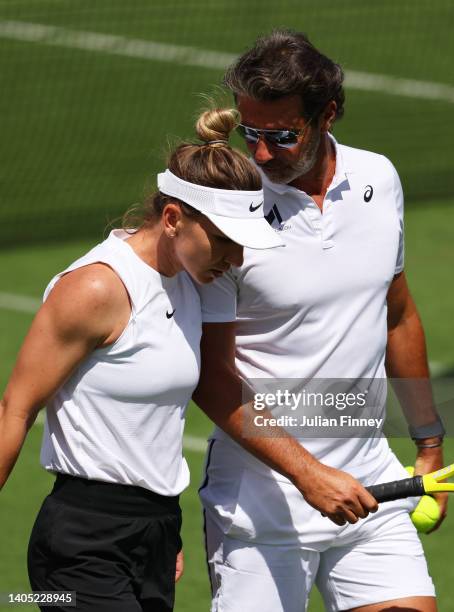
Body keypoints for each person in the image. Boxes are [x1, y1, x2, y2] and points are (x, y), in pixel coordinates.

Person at [193, 31, 447, 612]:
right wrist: (309, 476)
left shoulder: (379, 178)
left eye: (281, 136)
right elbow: (212, 376)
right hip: (259, 512)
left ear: (327, 114)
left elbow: (398, 314)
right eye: (250, 133)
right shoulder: (230, 206)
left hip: (371, 497)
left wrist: (428, 442)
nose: (260, 153)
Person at [0, 108, 283, 612]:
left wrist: (161, 529)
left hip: (154, 532)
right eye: (224, 241)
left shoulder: (196, 286)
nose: (235, 259)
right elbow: (15, 410)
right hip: (79, 544)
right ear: (173, 219)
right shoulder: (95, 288)